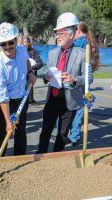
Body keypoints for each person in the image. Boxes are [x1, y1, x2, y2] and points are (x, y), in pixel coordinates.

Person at [37, 12, 86, 153]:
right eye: (57, 33)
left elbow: (89, 79)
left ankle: (56, 157)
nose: (57, 36)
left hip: (69, 101)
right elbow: (46, 71)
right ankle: (40, 154)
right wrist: (45, 77)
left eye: (61, 33)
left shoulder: (82, 54)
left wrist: (74, 78)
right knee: (45, 130)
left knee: (63, 134)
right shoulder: (52, 53)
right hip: (52, 98)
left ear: (71, 35)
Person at [0, 22, 37, 157]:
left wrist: (30, 73)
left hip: (21, 99)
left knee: (20, 132)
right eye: (3, 44)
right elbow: (2, 97)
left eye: (10, 42)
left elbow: (27, 61)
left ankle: (19, 159)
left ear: (16, 41)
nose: (7, 47)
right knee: (3, 134)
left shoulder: (22, 50)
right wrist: (7, 121)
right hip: (4, 103)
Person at [67, 21, 100, 146]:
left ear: (78, 31)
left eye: (74, 30)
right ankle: (73, 135)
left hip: (80, 78)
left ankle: (74, 136)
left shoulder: (81, 42)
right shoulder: (87, 42)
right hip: (82, 78)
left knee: (77, 107)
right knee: (79, 107)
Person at [22, 36, 43, 104]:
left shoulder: (33, 52)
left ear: (28, 43)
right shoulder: (19, 51)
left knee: (28, 88)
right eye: (23, 42)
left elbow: (40, 63)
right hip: (22, 75)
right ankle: (27, 100)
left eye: (25, 42)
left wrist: (30, 68)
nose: (24, 43)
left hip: (30, 75)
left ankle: (29, 100)